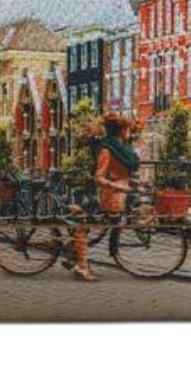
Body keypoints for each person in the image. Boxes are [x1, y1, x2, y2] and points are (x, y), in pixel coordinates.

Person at [71, 116, 140, 282]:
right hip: (108, 196)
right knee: (83, 227)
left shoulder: (121, 148)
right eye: (127, 129)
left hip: (119, 196)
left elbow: (122, 172)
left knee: (93, 225)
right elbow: (99, 177)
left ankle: (74, 254)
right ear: (121, 131)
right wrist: (119, 186)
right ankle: (81, 266)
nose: (130, 132)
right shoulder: (107, 150)